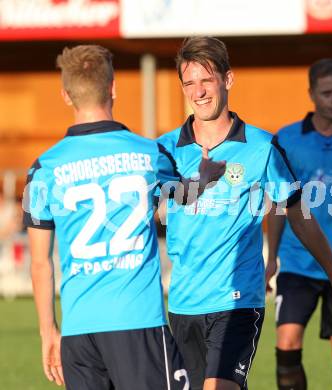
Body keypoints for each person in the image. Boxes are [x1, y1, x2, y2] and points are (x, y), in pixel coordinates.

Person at [156, 37, 332, 390]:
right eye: (189, 83)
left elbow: (299, 215)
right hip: (182, 303)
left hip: (237, 300)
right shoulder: (164, 149)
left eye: (207, 80)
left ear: (228, 79)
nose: (199, 92)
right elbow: (155, 212)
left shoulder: (263, 147)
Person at [23, 44, 225, 390]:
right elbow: (183, 196)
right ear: (114, 87)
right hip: (139, 322)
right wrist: (204, 179)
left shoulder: (43, 169)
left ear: (66, 96)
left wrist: (49, 332)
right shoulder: (148, 153)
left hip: (78, 332)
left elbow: (40, 262)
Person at [266, 58, 332, 390]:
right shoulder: (286, 139)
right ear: (311, 93)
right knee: (287, 344)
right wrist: (271, 259)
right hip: (298, 264)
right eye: (327, 92)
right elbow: (278, 204)